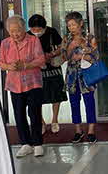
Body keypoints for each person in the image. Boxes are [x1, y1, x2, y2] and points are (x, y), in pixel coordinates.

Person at [0, 16, 46, 158]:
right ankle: (25, 144)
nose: (15, 34)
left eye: (17, 30)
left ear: (24, 28)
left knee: (34, 113)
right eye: (12, 31)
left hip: (33, 83)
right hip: (14, 84)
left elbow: (41, 59)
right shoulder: (5, 43)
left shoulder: (33, 40)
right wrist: (9, 66)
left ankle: (37, 144)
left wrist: (26, 65)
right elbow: (0, 62)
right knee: (19, 114)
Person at [62, 11, 99, 144]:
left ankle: (91, 130)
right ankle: (78, 130)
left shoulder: (89, 37)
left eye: (73, 25)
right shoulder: (66, 39)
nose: (71, 28)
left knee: (89, 102)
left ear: (81, 23)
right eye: (69, 25)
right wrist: (70, 48)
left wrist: (83, 55)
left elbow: (96, 56)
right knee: (74, 102)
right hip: (72, 75)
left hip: (87, 74)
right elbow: (64, 57)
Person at [28, 14, 66, 135]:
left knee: (56, 94)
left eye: (39, 29)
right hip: (36, 70)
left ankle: (54, 120)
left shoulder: (51, 32)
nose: (36, 32)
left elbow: (61, 46)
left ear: (44, 27)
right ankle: (42, 122)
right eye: (33, 29)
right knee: (37, 97)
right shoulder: (27, 35)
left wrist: (52, 54)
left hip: (53, 67)